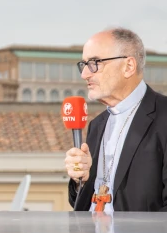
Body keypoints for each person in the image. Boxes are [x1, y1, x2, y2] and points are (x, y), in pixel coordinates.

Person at [65, 28, 167, 211]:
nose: (85, 74)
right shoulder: (96, 125)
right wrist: (80, 181)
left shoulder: (163, 117)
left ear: (128, 66)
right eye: (84, 64)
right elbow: (83, 203)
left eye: (94, 63)